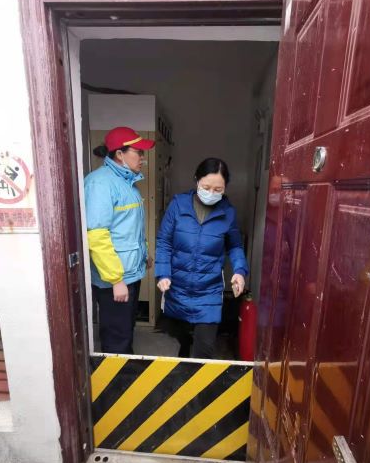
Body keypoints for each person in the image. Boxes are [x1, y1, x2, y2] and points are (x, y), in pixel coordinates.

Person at [155, 158, 248, 358]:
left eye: (218, 189)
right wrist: (162, 273)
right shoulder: (178, 205)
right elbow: (164, 242)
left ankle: (196, 375)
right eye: (206, 187)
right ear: (196, 180)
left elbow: (235, 246)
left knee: (204, 348)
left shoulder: (228, 213)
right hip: (177, 286)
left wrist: (240, 271)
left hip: (209, 290)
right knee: (176, 332)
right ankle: (185, 343)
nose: (211, 193)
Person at [84, 126, 155, 354]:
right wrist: (116, 280)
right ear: (119, 154)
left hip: (130, 272)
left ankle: (127, 371)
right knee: (117, 337)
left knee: (125, 329)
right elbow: (97, 236)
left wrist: (144, 254)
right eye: (138, 152)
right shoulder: (100, 184)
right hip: (115, 278)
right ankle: (118, 376)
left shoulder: (127, 183)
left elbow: (128, 229)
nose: (143, 157)